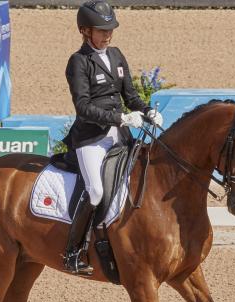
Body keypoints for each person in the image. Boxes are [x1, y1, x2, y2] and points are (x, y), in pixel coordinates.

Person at [60, 0, 164, 276]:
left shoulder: (116, 55)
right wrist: (118, 118)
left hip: (120, 135)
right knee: (95, 190)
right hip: (91, 138)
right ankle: (73, 251)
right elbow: (82, 107)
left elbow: (129, 96)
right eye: (102, 30)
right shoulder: (79, 62)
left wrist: (147, 110)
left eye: (110, 30)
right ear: (85, 31)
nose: (108, 35)